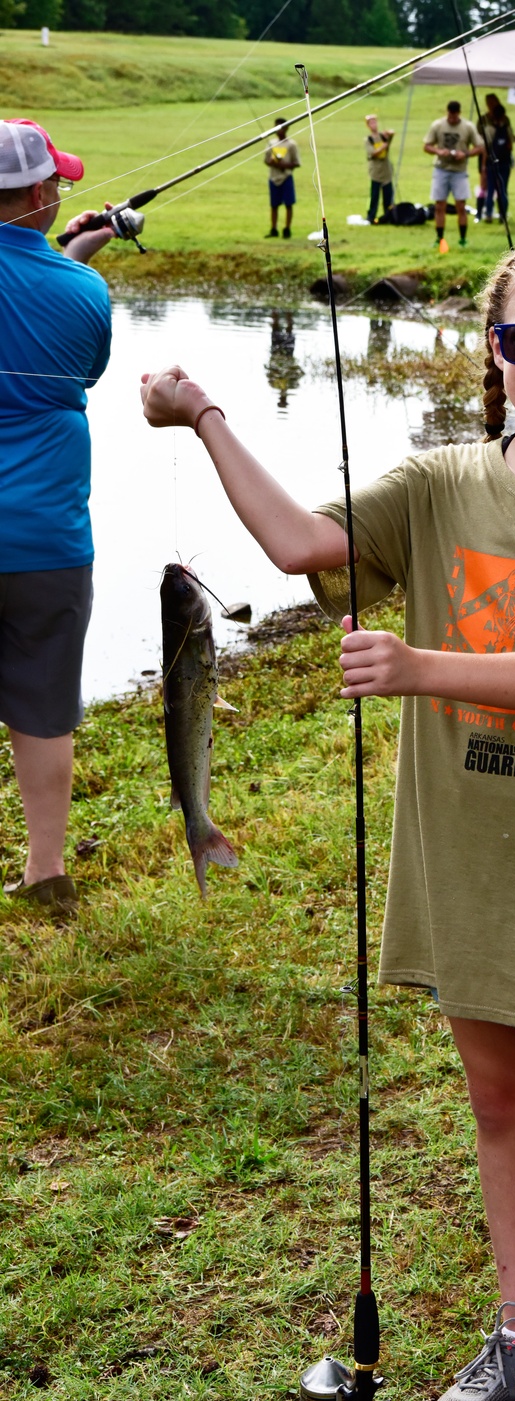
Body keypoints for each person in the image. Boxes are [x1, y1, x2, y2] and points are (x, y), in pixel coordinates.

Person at [140, 230, 515, 1401]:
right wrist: (206, 418)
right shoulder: (440, 481)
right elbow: (303, 546)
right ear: (491, 349)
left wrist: (416, 665)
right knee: (497, 1109)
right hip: (460, 856)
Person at [0, 118, 115, 916]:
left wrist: (59, 251)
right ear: (42, 195)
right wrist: (72, 259)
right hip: (46, 540)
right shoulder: (85, 294)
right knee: (42, 705)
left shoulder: (71, 277)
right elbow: (77, 358)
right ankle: (46, 874)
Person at [423, 99, 483, 250]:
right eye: (450, 115)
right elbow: (426, 146)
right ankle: (439, 238)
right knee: (439, 205)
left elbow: (480, 147)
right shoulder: (438, 125)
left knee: (461, 206)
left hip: (459, 171)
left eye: (455, 116)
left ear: (459, 113)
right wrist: (439, 151)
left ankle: (463, 239)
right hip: (441, 169)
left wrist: (465, 154)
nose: (452, 118)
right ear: (447, 112)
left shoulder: (467, 127)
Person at [264, 116, 300, 240]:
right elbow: (266, 160)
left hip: (286, 177)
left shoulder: (291, 145)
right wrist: (273, 163)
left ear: (286, 128)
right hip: (273, 178)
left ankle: (287, 229)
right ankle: (273, 228)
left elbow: (296, 163)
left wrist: (283, 165)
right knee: (274, 205)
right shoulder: (271, 143)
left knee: (288, 204)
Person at [364, 113, 394, 225]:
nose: (374, 124)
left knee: (388, 196)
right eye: (371, 122)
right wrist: (383, 147)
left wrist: (390, 135)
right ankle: (371, 217)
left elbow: (390, 139)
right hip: (376, 172)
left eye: (375, 121)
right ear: (368, 125)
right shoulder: (368, 139)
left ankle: (389, 216)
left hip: (386, 171)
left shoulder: (383, 136)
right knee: (374, 196)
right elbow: (373, 153)